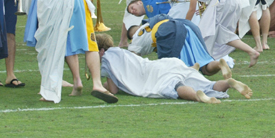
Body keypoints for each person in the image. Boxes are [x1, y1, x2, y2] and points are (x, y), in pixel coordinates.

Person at [97, 33, 252, 103]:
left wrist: (103, 84)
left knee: (172, 87)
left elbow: (114, 90)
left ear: (101, 50)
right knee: (207, 84)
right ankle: (227, 81)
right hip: (168, 63)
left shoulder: (107, 59)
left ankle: (197, 97)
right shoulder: (121, 53)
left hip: (156, 73)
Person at [178, 0, 262, 67]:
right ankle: (251, 51)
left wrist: (185, 25)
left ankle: (202, 62)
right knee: (220, 33)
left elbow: (192, 8)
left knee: (204, 32)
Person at [128, 13, 232, 78]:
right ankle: (219, 64)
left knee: (171, 70)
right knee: (204, 66)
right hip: (187, 26)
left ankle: (190, 69)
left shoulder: (136, 39)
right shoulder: (150, 23)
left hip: (169, 31)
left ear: (132, 36)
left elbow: (133, 61)